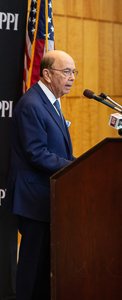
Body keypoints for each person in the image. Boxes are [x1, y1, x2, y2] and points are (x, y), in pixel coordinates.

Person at [3, 50, 77, 300]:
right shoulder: (33, 104)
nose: (72, 77)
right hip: (34, 196)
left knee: (45, 266)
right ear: (46, 73)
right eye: (66, 72)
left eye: (73, 72)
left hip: (47, 196)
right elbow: (37, 153)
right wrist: (74, 167)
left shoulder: (51, 103)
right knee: (32, 268)